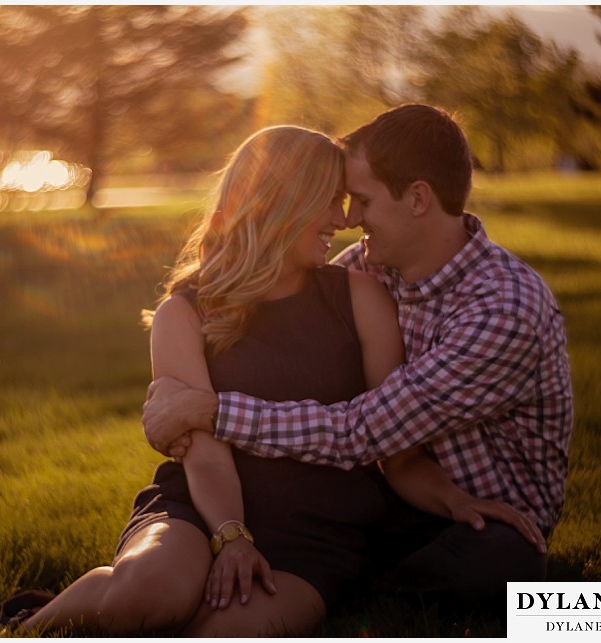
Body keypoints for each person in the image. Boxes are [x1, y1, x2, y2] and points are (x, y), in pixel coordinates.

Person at [0, 124, 542, 637]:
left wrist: (455, 501)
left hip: (317, 533)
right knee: (148, 595)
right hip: (202, 507)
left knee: (226, 633)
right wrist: (231, 535)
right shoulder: (184, 313)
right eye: (329, 199)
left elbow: (389, 447)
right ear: (282, 202)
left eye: (348, 200)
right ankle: (26, 622)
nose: (343, 217)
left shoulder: (359, 294)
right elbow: (203, 453)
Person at [142, 104, 573, 602]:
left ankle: (362, 594)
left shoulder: (501, 309)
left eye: (361, 201)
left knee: (500, 561)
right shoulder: (371, 269)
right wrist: (174, 393)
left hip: (481, 515)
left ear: (417, 199)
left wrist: (208, 410)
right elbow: (269, 299)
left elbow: (361, 432)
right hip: (395, 495)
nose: (347, 219)